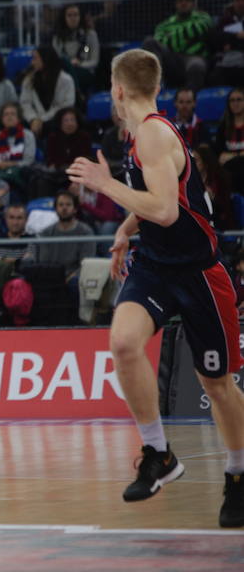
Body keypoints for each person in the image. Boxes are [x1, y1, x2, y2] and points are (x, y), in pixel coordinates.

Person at [68, 48, 244, 528]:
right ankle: (159, 453)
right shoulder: (143, 133)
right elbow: (164, 199)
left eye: (111, 86)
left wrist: (105, 185)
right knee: (124, 343)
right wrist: (127, 227)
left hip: (199, 271)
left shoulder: (150, 133)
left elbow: (166, 210)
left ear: (118, 89)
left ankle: (238, 474)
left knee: (218, 384)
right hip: (156, 264)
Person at [143, 0, 212, 91]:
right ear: (175, 4)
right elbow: (159, 41)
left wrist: (171, 37)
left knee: (197, 65)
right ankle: (155, 88)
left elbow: (202, 27)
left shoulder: (203, 17)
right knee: (149, 41)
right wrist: (189, 37)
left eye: (187, 0)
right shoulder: (164, 25)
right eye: (180, 0)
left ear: (193, 3)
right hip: (173, 60)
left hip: (195, 57)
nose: (183, 3)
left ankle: (188, 99)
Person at [34, 190, 95, 284]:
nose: (64, 208)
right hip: (51, 278)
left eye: (68, 204)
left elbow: (86, 264)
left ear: (75, 209)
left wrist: (70, 278)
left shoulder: (86, 232)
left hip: (75, 279)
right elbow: (43, 262)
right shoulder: (46, 233)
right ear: (55, 208)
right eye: (61, 205)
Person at [20, 45, 77, 138]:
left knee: (53, 126)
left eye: (35, 58)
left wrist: (41, 120)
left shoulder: (66, 80)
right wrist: (33, 119)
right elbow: (25, 103)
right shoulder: (29, 80)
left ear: (45, 59)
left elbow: (67, 105)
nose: (32, 62)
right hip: (34, 120)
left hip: (56, 119)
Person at [0, 102, 36, 201]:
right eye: (6, 114)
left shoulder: (28, 135)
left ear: (18, 118)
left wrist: (10, 164)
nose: (9, 117)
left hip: (20, 170)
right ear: (2, 119)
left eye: (13, 114)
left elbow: (29, 159)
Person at [52, 4, 100, 96]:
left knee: (67, 73)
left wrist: (79, 63)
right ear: (64, 18)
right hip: (65, 71)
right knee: (64, 64)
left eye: (76, 15)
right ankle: (78, 95)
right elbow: (56, 61)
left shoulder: (90, 35)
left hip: (84, 70)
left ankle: (76, 93)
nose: (73, 18)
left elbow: (94, 61)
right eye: (69, 15)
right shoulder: (57, 38)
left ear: (80, 17)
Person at [208, 0, 244, 87]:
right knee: (215, 75)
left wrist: (230, 42)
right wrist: (237, 36)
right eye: (238, 0)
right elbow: (217, 38)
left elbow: (226, 40)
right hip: (228, 58)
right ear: (233, 2)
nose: (241, 3)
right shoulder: (225, 19)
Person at [215, 88, 244, 193]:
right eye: (232, 100)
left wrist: (233, 155)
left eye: (239, 100)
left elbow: (225, 156)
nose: (235, 103)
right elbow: (219, 155)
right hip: (230, 173)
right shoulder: (223, 126)